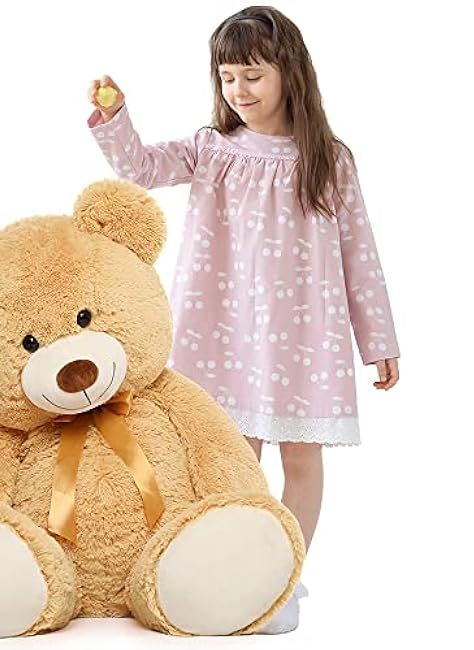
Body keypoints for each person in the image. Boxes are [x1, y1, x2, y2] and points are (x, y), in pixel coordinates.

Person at [86, 5, 400, 633]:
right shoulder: (212, 150)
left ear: (290, 72)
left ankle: (282, 579)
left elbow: (358, 252)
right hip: (225, 334)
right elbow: (139, 168)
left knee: (303, 460)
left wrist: (378, 340)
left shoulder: (329, 160)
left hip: (305, 337)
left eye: (252, 75)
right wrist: (114, 118)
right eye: (227, 77)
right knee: (233, 461)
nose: (238, 90)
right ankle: (239, 575)